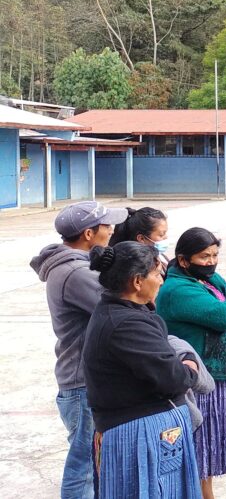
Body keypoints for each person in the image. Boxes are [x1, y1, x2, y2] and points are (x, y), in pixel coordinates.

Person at [81, 242, 201, 498]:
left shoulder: (122, 313)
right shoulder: (125, 324)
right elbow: (174, 380)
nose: (161, 281)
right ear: (137, 281)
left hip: (141, 429)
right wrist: (190, 364)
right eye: (157, 274)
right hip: (139, 435)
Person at [155, 227, 226, 499]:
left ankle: (206, 493)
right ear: (183, 260)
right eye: (204, 256)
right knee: (201, 444)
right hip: (201, 378)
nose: (211, 262)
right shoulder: (178, 289)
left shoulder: (207, 279)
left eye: (215, 254)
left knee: (207, 448)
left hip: (218, 372)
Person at [30, 200, 127, 499]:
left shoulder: (78, 266)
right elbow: (123, 307)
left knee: (94, 462)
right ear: (88, 234)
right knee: (84, 466)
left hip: (84, 380)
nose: (112, 230)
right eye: (106, 225)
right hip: (83, 382)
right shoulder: (75, 273)